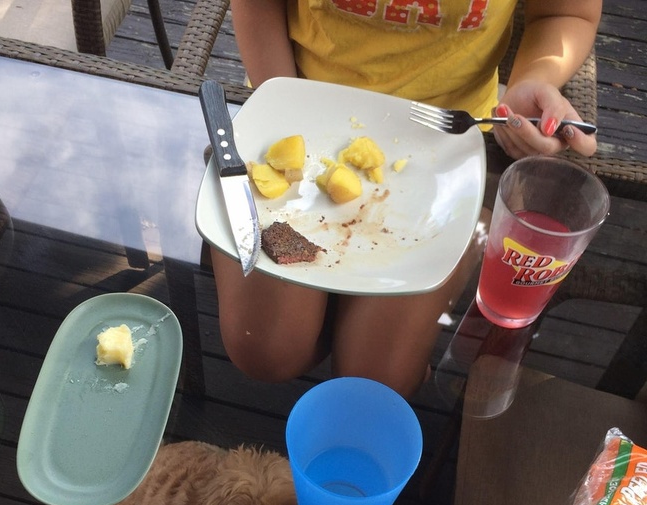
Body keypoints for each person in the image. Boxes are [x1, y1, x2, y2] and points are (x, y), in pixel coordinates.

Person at [211, 0, 601, 398]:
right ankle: (342, 309)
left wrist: (533, 77)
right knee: (265, 354)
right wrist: (283, 106)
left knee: (374, 387)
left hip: (443, 151)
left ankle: (467, 229)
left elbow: (565, 12)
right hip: (299, 108)